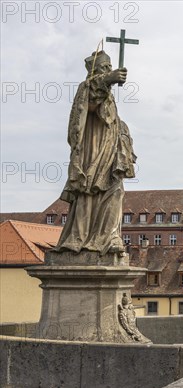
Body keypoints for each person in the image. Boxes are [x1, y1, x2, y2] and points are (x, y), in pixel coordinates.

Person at [55, 50, 135, 255]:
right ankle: (82, 238)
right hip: (93, 148)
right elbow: (89, 102)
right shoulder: (87, 88)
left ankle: (108, 237)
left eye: (110, 67)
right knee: (88, 188)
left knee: (116, 189)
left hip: (110, 150)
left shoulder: (108, 97)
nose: (110, 70)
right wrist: (108, 79)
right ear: (95, 71)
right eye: (105, 68)